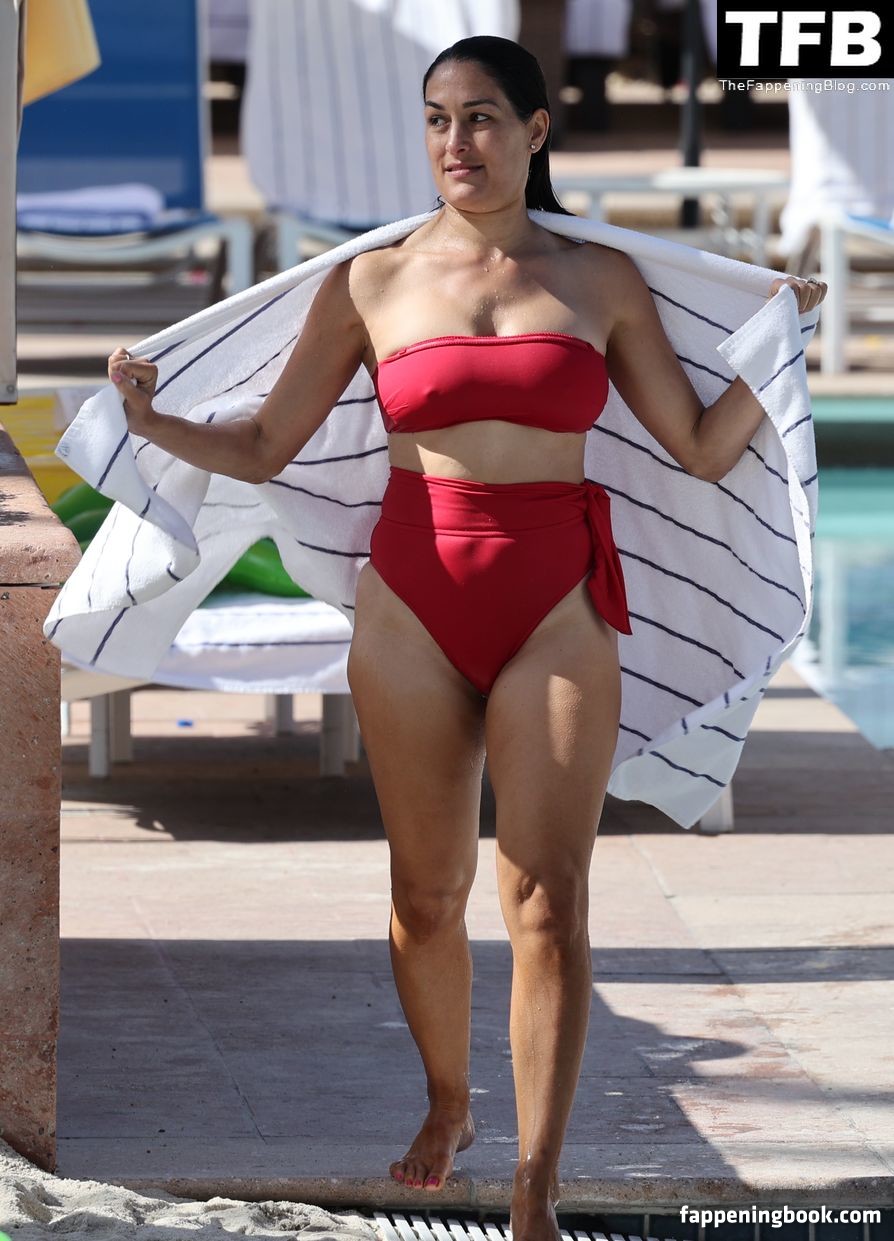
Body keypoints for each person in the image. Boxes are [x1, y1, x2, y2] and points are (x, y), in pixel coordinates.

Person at [105, 35, 826, 1241]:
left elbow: (701, 449)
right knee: (426, 894)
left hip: (557, 600)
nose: (457, 142)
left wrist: (775, 346)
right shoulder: (372, 282)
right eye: (438, 118)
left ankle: (537, 1180)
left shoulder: (601, 279)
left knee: (547, 895)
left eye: (483, 116)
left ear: (537, 131)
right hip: (412, 600)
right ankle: (450, 1098)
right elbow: (268, 445)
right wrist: (152, 420)